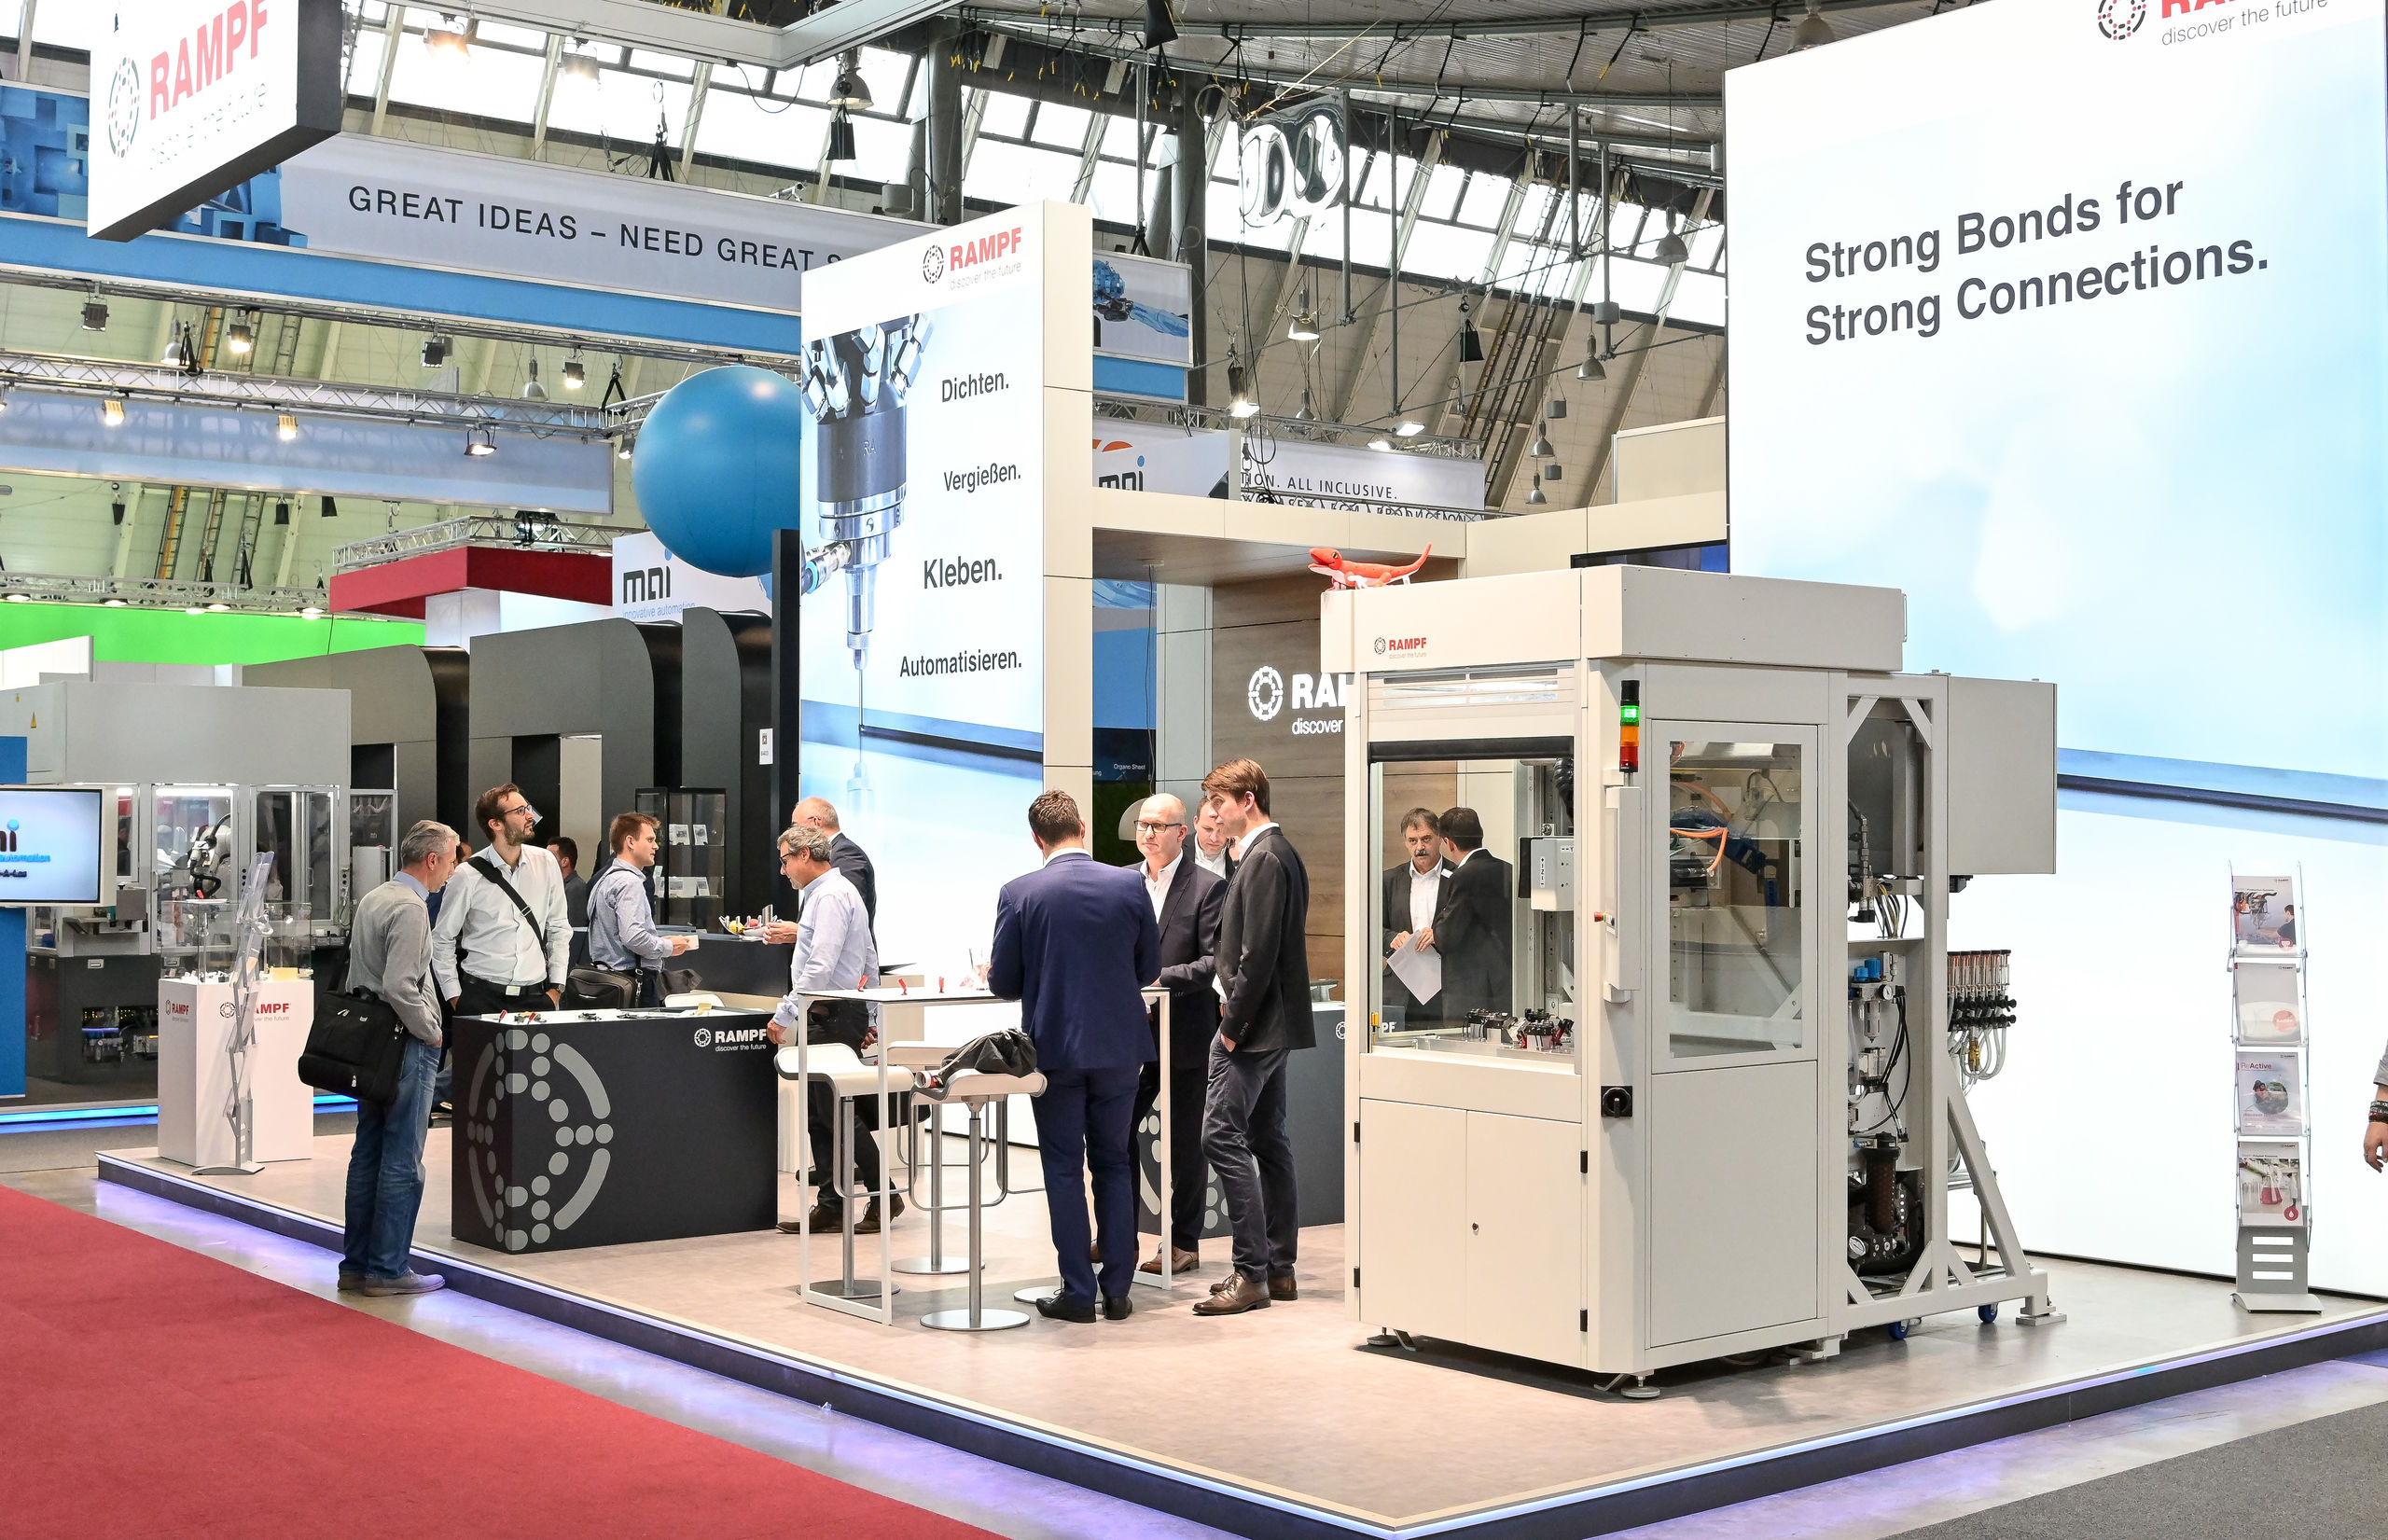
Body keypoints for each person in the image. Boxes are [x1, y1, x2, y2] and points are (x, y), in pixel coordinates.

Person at [989, 789, 1159, 1323]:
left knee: (1063, 1167)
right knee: (1114, 1161)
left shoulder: (1019, 892)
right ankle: (1119, 1290)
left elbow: (1003, 982)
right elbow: (1148, 968)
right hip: (1120, 1048)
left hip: (1055, 1048)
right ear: (1082, 827)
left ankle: (1079, 1293)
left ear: (1036, 839)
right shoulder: (1129, 884)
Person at [1195, 758, 1312, 1317]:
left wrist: (1232, 1029)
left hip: (1253, 1029)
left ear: (1248, 800)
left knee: (1221, 1136)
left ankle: (1251, 1273)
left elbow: (1257, 956)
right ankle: (1278, 1269)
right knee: (1268, 1140)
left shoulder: (1265, 857)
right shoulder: (1273, 853)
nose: (1214, 814)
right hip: (1270, 1025)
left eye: (1220, 803)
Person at [764, 824, 902, 1234]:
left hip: (834, 1013)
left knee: (835, 1111)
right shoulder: (834, 893)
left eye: (785, 861)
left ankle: (884, 1194)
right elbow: (869, 958)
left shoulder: (830, 896)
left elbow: (820, 967)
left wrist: (785, 1013)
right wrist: (870, 1014)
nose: (783, 870)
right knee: (818, 1115)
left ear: (805, 854)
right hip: (837, 1013)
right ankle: (831, 1204)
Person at [340, 820, 458, 1297]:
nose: (452, 870)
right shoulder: (411, 908)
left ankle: (357, 1264)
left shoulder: (375, 898)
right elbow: (400, 986)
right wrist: (431, 1032)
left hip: (370, 1044)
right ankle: (388, 1270)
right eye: (451, 860)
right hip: (404, 1045)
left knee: (367, 1152)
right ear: (431, 860)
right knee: (403, 1159)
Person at [1129, 792, 1224, 1276]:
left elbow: (1212, 962)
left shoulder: (1208, 887)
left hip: (1185, 1031)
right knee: (1115, 1133)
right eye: (1143, 825)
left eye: (1158, 826)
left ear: (1181, 833)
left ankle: (1184, 1242)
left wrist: (1158, 981)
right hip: (1128, 1033)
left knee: (1186, 1143)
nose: (1148, 833)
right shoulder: (1122, 882)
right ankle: (1118, 1234)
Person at [434, 785, 572, 1020]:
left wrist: (557, 988)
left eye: (527, 808)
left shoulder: (546, 862)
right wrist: (455, 996)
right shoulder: (467, 875)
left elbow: (559, 927)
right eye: (520, 811)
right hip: (482, 996)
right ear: (495, 824)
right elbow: (442, 938)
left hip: (536, 997)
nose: (530, 815)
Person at [586, 813, 696, 1002]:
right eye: (650, 840)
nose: (656, 846)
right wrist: (668, 946)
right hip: (632, 982)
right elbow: (634, 938)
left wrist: (656, 941)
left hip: (606, 979)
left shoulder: (604, 878)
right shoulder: (630, 882)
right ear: (630, 842)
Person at [1427, 806, 1514, 1021]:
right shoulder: (1509, 869)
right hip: (1506, 983)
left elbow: (1447, 935)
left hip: (1469, 991)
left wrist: (1436, 929)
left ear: (1449, 843)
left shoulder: (1463, 875)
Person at [762, 797, 878, 940]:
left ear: (816, 822)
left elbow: (844, 915)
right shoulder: (835, 852)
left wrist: (799, 932)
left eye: (795, 826)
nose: (792, 833)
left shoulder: (846, 853)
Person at [1381, 809, 1451, 1028]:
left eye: (1426, 839)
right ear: (1405, 842)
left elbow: (1472, 931)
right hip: (1400, 986)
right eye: (1412, 840)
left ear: (1440, 838)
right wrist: (1392, 938)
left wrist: (1440, 935)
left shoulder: (1458, 876)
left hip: (1445, 987)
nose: (1419, 847)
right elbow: (1372, 929)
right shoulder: (1389, 880)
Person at [550, 837, 590, 929]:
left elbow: (574, 927)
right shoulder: (555, 886)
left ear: (564, 861)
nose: (545, 861)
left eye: (550, 857)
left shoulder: (576, 888)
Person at [1191, 798, 1232, 881]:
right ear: (1196, 823)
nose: (1214, 839)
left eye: (1221, 830)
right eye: (1208, 829)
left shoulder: (1240, 854)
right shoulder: (1177, 850)